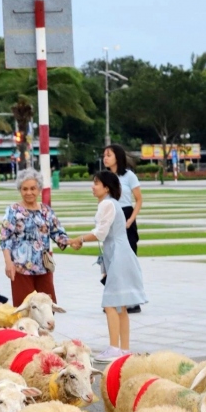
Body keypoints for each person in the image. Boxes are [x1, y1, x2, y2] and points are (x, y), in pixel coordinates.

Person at [69, 171, 147, 361]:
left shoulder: (107, 204)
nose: (92, 186)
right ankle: (124, 350)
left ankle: (114, 349)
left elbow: (100, 233)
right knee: (120, 305)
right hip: (118, 253)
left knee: (111, 303)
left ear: (106, 188)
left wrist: (79, 239)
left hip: (119, 254)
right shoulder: (110, 204)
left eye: (96, 183)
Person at [0, 168, 69, 304]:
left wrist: (73, 242)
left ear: (39, 189)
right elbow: (5, 239)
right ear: (20, 190)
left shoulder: (46, 210)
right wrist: (8, 263)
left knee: (47, 309)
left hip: (43, 267)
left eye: (33, 188)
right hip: (21, 269)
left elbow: (57, 233)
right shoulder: (13, 210)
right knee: (24, 308)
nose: (29, 192)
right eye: (25, 189)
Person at [103, 144, 143, 313]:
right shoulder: (105, 177)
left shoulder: (129, 176)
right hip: (111, 216)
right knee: (111, 260)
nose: (105, 158)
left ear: (117, 157)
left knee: (127, 259)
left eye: (108, 155)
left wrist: (130, 220)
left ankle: (133, 302)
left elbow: (139, 200)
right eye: (104, 155)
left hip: (126, 216)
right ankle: (114, 300)